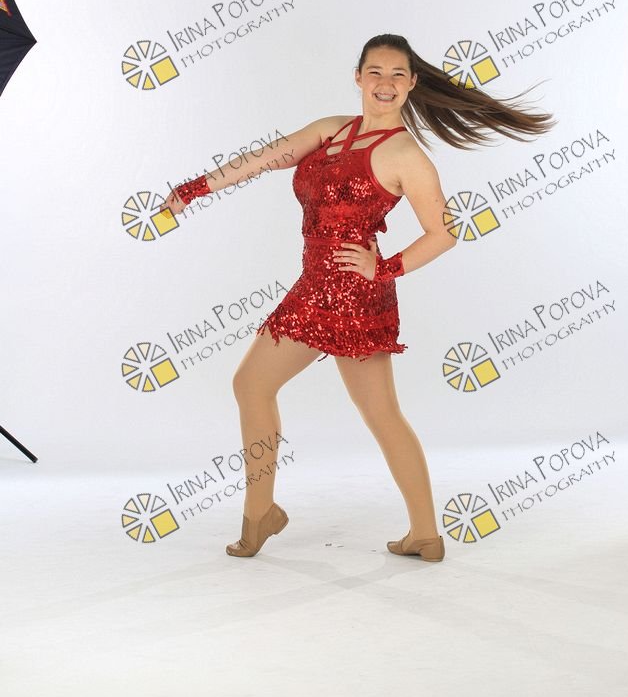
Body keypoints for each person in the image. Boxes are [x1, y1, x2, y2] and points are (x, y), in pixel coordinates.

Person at [160, 34, 555, 562]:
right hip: (313, 287)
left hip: (356, 295)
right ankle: (278, 514)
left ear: (412, 83)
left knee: (370, 411)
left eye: (397, 74)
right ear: (358, 77)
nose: (385, 84)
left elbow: (443, 233)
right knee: (259, 387)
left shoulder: (406, 155)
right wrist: (193, 190)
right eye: (375, 72)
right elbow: (265, 158)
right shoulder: (331, 130)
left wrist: (384, 267)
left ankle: (412, 531)